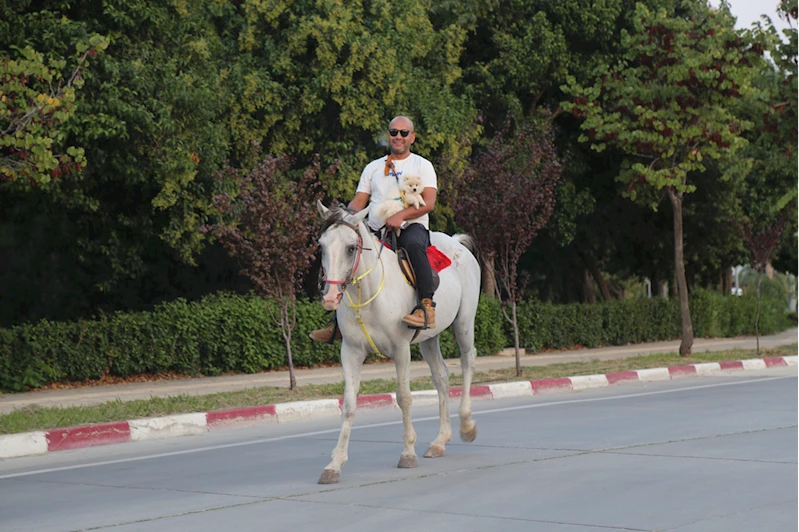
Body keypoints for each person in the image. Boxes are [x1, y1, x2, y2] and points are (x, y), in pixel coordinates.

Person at [310, 116, 438, 343]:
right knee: (350, 259)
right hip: (375, 229)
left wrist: (401, 216)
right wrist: (342, 219)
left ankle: (426, 306)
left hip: (411, 225)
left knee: (414, 247)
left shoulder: (422, 165)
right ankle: (339, 322)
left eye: (403, 133)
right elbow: (358, 202)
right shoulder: (373, 167)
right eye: (393, 132)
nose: (398, 136)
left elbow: (428, 203)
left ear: (412, 138)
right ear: (388, 135)